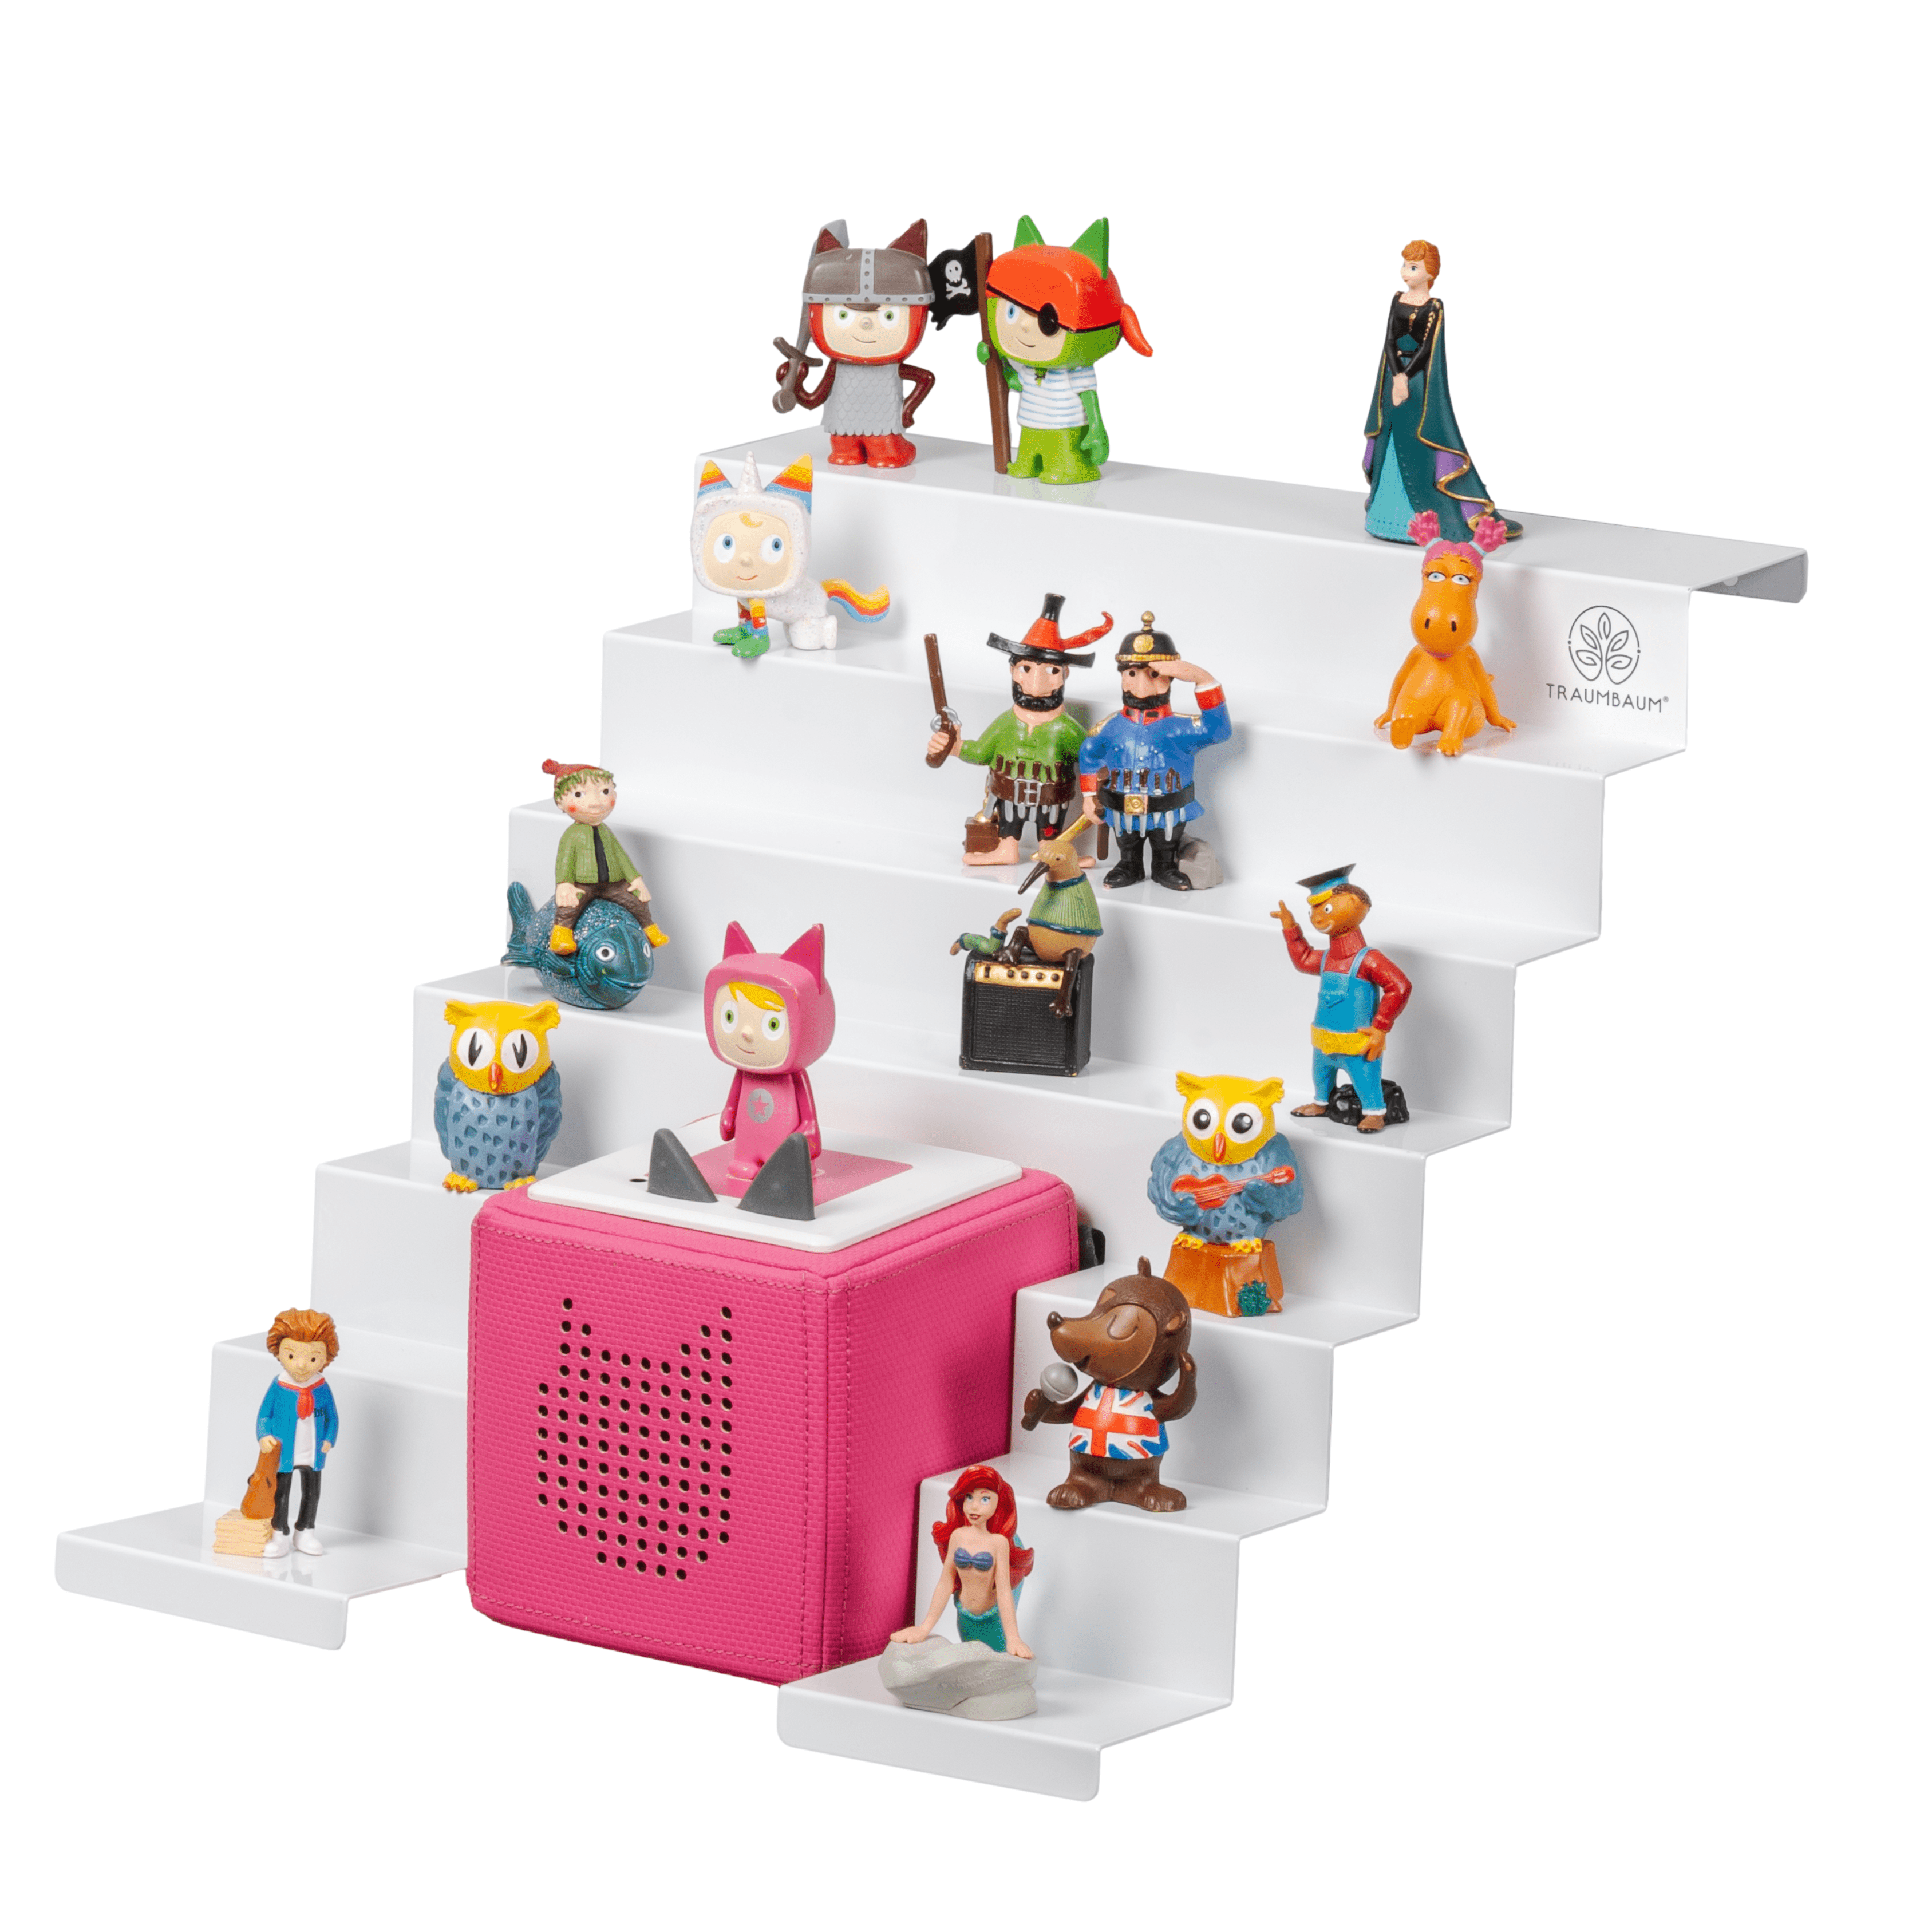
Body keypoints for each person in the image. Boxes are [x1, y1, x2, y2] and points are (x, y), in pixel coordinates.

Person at [926, 593, 1111, 866]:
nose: (1036, 684)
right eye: (1026, 668)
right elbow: (981, 752)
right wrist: (955, 747)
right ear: (1012, 670)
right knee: (1008, 821)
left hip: (1051, 798)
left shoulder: (1065, 729)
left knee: (1050, 830)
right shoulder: (1006, 723)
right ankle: (1007, 848)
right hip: (1008, 794)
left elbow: (1089, 758)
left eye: (1051, 671)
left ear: (1065, 675)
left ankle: (1051, 852)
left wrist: (1104, 774)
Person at [1362, 239, 1521, 546]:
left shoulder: (1434, 307)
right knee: (1391, 437)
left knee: (1419, 440)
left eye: (1413, 267)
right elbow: (1390, 341)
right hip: (1393, 382)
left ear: (1430, 273)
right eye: (1405, 265)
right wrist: (1396, 376)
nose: (1405, 272)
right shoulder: (1397, 300)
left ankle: (1431, 521)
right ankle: (1387, 516)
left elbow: (1426, 349)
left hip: (1419, 385)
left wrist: (1406, 377)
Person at [1076, 612, 1231, 891]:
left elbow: (1219, 731)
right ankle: (1129, 865)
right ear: (1122, 677)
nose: (1141, 686)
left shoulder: (1180, 728)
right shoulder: (1109, 727)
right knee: (1127, 842)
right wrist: (1089, 797)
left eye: (1154, 674)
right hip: (1122, 808)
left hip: (1167, 808)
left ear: (1171, 678)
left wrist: (1203, 679)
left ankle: (1164, 867)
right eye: (1132, 674)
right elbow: (1089, 754)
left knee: (1166, 841)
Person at [1270, 864, 1413, 1133]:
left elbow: (1400, 987)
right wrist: (1291, 928)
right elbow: (1303, 960)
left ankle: (1375, 1112)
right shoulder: (1326, 958)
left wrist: (1381, 1027)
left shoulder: (1369, 959)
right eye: (1313, 911)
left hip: (1357, 1043)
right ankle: (1321, 1103)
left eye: (1325, 909)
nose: (1317, 918)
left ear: (1355, 904)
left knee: (1365, 1078)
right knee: (1321, 1074)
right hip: (1324, 1041)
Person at [890, 1465, 1034, 1657]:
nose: (974, 1506)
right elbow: (945, 1583)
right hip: (965, 1616)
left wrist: (1013, 1638)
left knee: (994, 1662)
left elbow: (1004, 1590)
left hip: (994, 1619)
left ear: (999, 1503)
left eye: (985, 1499)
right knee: (971, 1659)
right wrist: (924, 1628)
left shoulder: (999, 1543)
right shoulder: (958, 1536)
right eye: (969, 1497)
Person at [541, 760, 667, 956]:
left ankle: (650, 929)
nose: (595, 803)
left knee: (637, 900)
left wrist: (635, 879)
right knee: (570, 906)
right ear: (560, 803)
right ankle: (561, 934)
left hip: (612, 883)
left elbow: (621, 856)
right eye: (579, 795)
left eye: (605, 792)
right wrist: (565, 884)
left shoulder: (606, 832)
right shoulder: (572, 835)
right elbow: (565, 860)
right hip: (583, 884)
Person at [256, 1309, 341, 1558]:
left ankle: (305, 1530)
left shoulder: (322, 1388)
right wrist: (264, 1435)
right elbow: (264, 1416)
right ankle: (279, 1533)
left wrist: (329, 1439)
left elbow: (333, 1417)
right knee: (280, 1493)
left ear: (325, 1358)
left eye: (313, 1359)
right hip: (284, 1452)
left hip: (313, 1452)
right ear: (279, 1353)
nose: (301, 1366)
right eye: (292, 1356)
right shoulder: (279, 1386)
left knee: (312, 1494)